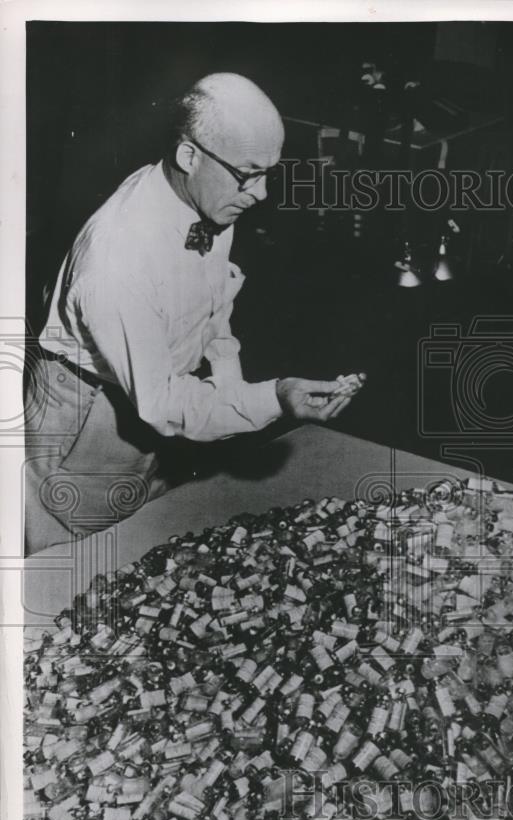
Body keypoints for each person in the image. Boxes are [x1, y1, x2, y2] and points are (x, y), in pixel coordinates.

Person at [25, 73, 364, 554]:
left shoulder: (206, 197)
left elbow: (212, 305)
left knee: (147, 543)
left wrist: (231, 388)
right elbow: (162, 405)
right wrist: (272, 399)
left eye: (270, 173)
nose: (262, 194)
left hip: (154, 399)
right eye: (250, 174)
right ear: (189, 155)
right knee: (75, 564)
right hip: (91, 421)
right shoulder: (118, 261)